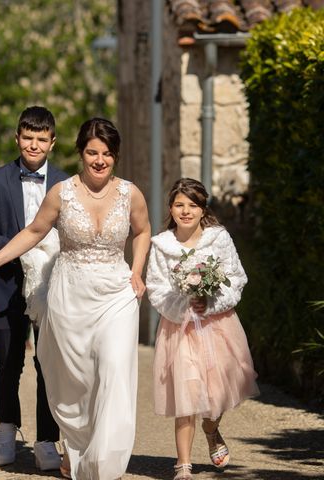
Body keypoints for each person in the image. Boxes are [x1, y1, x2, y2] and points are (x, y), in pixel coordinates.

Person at [0, 117, 151, 479]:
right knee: (74, 378)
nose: (99, 160)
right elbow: (34, 231)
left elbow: (143, 230)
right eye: (91, 152)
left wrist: (137, 272)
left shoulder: (130, 193)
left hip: (116, 294)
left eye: (107, 154)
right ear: (80, 153)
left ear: (115, 156)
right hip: (71, 294)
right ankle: (75, 446)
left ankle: (104, 463)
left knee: (114, 369)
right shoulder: (62, 192)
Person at [146, 178, 259, 480]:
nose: (186, 211)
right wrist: (182, 307)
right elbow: (156, 288)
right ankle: (183, 464)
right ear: (170, 208)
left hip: (217, 326)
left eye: (192, 205)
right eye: (179, 205)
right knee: (187, 395)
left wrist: (209, 303)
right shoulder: (162, 245)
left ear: (202, 209)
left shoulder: (218, 239)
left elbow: (236, 278)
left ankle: (211, 429)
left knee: (217, 394)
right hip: (179, 330)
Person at [0, 106, 68, 471]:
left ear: (52, 143)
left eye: (41, 139)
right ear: (17, 138)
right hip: (6, 283)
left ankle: (47, 438)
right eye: (27, 138)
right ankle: (6, 427)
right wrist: (20, 246)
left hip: (52, 286)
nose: (33, 144)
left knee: (48, 363)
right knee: (8, 361)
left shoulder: (65, 182)